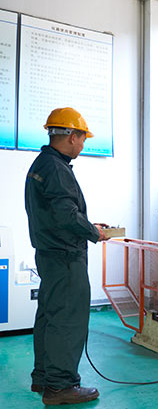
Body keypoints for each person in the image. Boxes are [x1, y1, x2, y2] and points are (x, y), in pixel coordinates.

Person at [24, 107, 109, 406]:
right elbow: (66, 215)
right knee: (67, 320)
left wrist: (88, 226)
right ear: (72, 136)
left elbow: (58, 212)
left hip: (49, 253)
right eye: (83, 139)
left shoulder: (43, 163)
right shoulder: (58, 169)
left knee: (49, 315)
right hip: (65, 257)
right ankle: (60, 386)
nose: (83, 145)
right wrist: (94, 232)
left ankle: (43, 377)